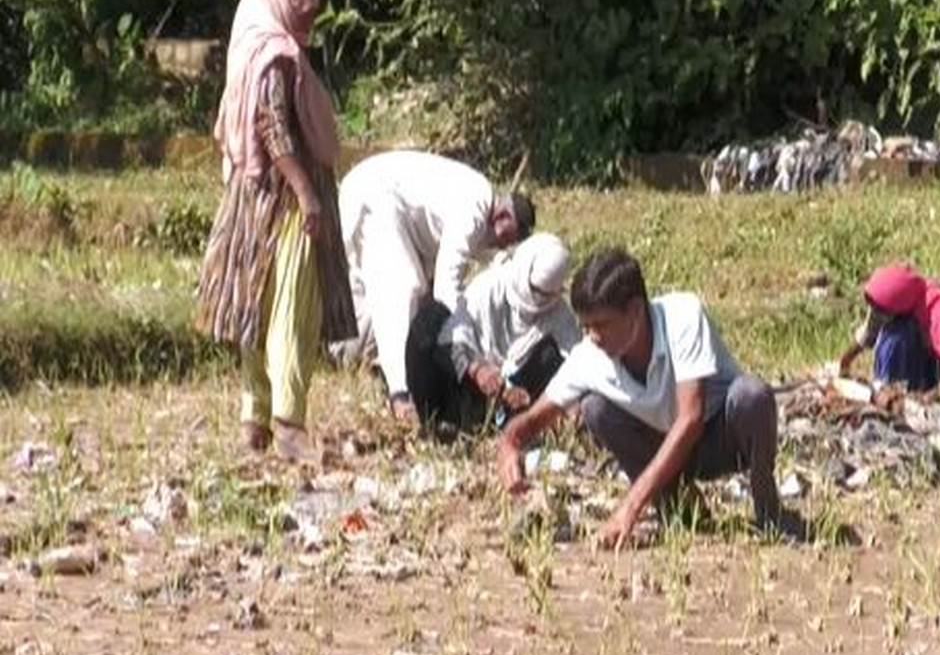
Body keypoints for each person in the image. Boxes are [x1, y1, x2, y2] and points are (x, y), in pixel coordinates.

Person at [496, 247, 791, 546]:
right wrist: (511, 442)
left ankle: (769, 510)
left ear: (635, 310)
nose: (594, 336)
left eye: (602, 325)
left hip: (721, 439)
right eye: (586, 327)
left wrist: (631, 506)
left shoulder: (683, 316)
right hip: (666, 450)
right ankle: (680, 507)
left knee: (752, 395)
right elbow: (533, 419)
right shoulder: (590, 356)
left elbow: (691, 418)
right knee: (595, 409)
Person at [196, 0, 357, 463]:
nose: (309, 23)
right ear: (283, 3)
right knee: (293, 307)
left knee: (256, 309)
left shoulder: (248, 46)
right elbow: (272, 125)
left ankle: (255, 420)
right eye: (304, 12)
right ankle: (289, 424)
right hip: (285, 203)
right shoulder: (276, 54)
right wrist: (307, 194)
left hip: (254, 200)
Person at [338, 148, 533, 420]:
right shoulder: (475, 208)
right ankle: (401, 394)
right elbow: (446, 285)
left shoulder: (485, 223)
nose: (501, 244)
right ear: (501, 217)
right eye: (504, 238)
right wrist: (469, 343)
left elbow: (494, 274)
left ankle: (336, 349)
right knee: (402, 287)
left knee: (370, 329)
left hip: (405, 221)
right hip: (377, 196)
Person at [405, 232, 581, 432]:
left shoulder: (558, 312)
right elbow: (451, 337)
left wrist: (573, 400)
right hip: (464, 388)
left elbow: (577, 359)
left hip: (515, 397)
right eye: (534, 290)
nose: (537, 301)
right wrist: (477, 369)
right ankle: (436, 423)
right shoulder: (489, 287)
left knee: (554, 356)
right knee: (427, 322)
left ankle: (513, 421)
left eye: (545, 295)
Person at [838, 264, 940, 403]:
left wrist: (932, 397)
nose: (878, 315)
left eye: (881, 311)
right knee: (894, 334)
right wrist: (844, 363)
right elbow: (869, 332)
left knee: (898, 337)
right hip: (929, 355)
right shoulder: (891, 303)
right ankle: (892, 388)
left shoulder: (936, 311)